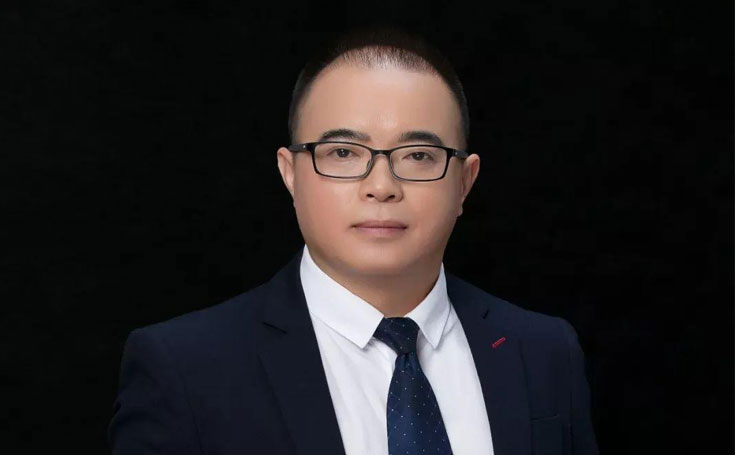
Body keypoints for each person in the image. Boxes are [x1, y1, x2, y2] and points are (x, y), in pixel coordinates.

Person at [108, 24, 599, 455]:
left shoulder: (543, 351)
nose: (381, 186)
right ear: (290, 173)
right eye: (343, 152)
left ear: (464, 182)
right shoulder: (186, 368)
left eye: (418, 155)